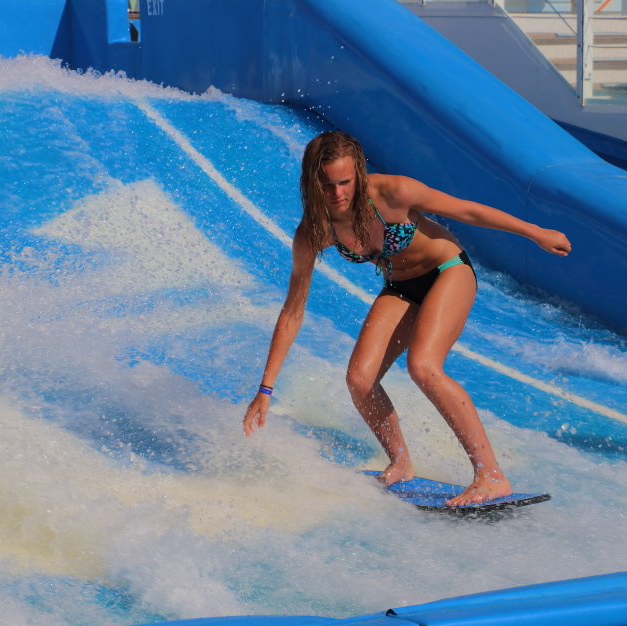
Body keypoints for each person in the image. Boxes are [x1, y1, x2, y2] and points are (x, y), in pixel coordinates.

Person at [242, 132, 571, 506]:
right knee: (359, 379)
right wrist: (265, 390)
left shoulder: (393, 192)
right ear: (311, 181)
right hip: (402, 288)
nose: (337, 194)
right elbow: (293, 310)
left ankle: (491, 475)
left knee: (424, 366)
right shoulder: (314, 232)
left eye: (345, 182)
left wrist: (535, 233)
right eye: (327, 185)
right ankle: (401, 461)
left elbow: (466, 211)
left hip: (447, 271)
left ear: (359, 174)